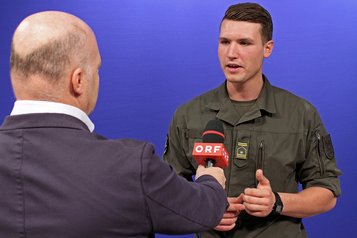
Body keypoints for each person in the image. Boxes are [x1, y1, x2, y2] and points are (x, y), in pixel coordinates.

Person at [0, 11, 231, 238]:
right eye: (97, 69)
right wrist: (211, 179)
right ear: (78, 80)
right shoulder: (131, 167)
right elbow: (202, 211)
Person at [163, 2, 342, 238]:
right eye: (225, 42)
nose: (231, 53)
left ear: (267, 48)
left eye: (244, 43)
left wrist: (277, 201)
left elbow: (327, 193)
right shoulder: (187, 115)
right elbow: (167, 192)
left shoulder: (301, 114)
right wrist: (203, 210)